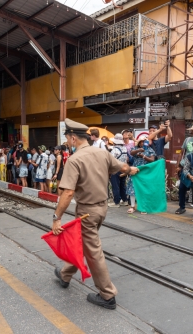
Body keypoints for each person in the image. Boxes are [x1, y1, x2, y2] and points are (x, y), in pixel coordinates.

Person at [52, 118, 138, 310]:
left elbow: (67, 192)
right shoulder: (102, 153)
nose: (67, 143)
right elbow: (123, 167)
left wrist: (56, 218)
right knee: (84, 244)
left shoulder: (75, 160)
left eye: (67, 139)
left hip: (86, 212)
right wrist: (132, 169)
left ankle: (107, 295)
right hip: (102, 209)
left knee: (93, 251)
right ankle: (65, 275)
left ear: (73, 138)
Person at [127, 137, 156, 214]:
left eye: (144, 142)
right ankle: (132, 206)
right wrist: (139, 150)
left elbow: (152, 160)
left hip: (144, 171)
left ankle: (143, 207)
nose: (143, 143)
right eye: (141, 142)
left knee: (144, 188)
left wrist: (143, 156)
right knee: (132, 188)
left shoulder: (150, 149)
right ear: (139, 142)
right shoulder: (135, 148)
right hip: (135, 170)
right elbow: (131, 153)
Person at [109, 133, 129, 208]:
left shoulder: (114, 150)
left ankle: (116, 202)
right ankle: (125, 200)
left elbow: (110, 160)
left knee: (115, 185)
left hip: (116, 169)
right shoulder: (124, 148)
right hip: (123, 168)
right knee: (122, 185)